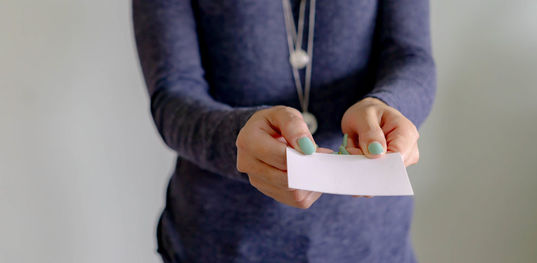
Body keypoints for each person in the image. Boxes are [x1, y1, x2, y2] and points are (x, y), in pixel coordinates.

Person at [133, 0, 435, 262]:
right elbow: (172, 93)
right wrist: (234, 137)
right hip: (222, 242)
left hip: (373, 243)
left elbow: (410, 54)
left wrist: (391, 105)